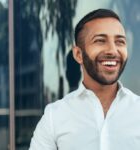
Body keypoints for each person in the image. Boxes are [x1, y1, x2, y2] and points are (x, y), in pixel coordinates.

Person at [29, 9, 140, 150]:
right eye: (100, 41)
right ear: (78, 54)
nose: (112, 50)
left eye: (120, 42)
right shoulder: (54, 116)